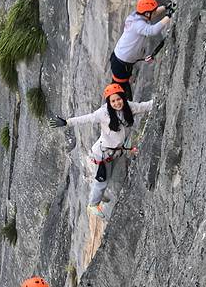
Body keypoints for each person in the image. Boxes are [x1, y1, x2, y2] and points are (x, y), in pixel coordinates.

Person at [49, 83, 152, 218]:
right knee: (102, 180)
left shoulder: (129, 107)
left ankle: (98, 193)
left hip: (116, 150)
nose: (116, 103)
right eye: (113, 101)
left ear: (123, 97)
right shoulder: (103, 113)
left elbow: (145, 106)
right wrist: (67, 122)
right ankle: (93, 204)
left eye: (118, 99)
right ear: (109, 102)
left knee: (106, 177)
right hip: (103, 153)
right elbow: (86, 118)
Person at [110, 0, 172, 99]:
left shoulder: (136, 16)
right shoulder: (138, 24)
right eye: (152, 12)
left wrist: (165, 7)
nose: (155, 13)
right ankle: (119, 109)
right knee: (119, 90)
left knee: (122, 86)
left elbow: (152, 13)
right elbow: (152, 31)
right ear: (147, 14)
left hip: (120, 60)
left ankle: (125, 106)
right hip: (121, 63)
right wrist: (167, 17)